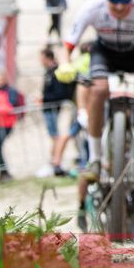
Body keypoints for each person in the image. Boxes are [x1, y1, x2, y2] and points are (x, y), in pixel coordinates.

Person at [63, 0, 134, 196]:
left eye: (124, 0)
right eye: (113, 0)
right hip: (104, 54)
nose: (118, 6)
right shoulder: (92, 6)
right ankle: (96, 157)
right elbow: (68, 43)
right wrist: (66, 63)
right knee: (97, 90)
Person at [38, 47, 74, 177]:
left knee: (56, 137)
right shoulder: (49, 72)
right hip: (49, 107)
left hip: (55, 108)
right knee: (54, 136)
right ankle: (54, 162)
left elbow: (60, 93)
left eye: (41, 58)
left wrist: (46, 99)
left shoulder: (57, 72)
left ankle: (55, 163)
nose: (39, 61)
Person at [0, 68, 22, 181]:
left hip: (6, 124)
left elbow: (9, 106)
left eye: (0, 78)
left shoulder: (10, 91)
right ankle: (3, 173)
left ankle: (5, 172)